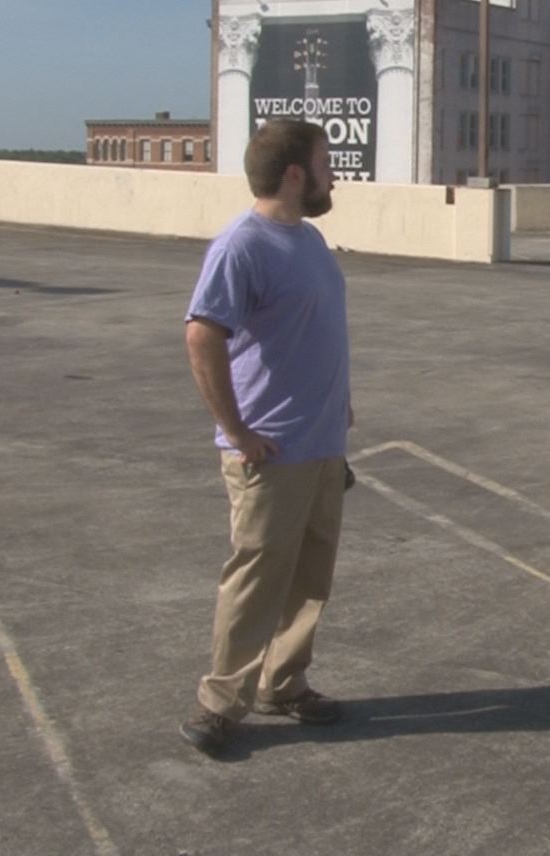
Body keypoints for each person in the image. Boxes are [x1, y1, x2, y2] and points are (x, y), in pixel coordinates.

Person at [179, 117, 353, 757]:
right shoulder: (241, 245)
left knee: (310, 579)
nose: (333, 170)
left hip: (322, 445)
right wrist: (237, 431)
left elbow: (311, 333)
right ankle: (219, 705)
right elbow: (202, 335)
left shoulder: (307, 239)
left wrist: (343, 406)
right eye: (325, 159)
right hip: (272, 451)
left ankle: (285, 683)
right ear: (295, 173)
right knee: (256, 578)